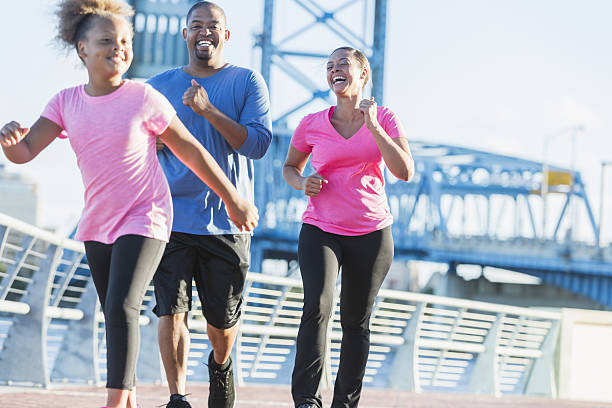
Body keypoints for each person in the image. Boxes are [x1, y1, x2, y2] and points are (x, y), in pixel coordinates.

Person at [0, 1, 258, 407]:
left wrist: (233, 199)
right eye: (106, 41)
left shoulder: (144, 97)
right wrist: (11, 142)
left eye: (125, 41)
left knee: (123, 304)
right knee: (114, 311)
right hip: (98, 224)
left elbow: (191, 152)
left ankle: (116, 400)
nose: (118, 48)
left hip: (148, 216)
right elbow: (27, 151)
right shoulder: (66, 102)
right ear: (82, 49)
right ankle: (131, 395)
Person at [146, 2, 272, 408]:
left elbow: (257, 145)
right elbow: (130, 141)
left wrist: (208, 111)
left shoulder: (247, 81)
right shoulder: (157, 86)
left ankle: (220, 365)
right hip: (171, 217)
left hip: (227, 222)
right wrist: (154, 141)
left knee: (221, 323)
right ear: (184, 34)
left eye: (213, 26)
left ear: (226, 35)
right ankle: (178, 396)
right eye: (196, 25)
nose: (204, 32)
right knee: (171, 309)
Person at [282, 46, 414, 408]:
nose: (335, 70)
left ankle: (345, 402)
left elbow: (404, 172)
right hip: (321, 229)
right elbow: (290, 167)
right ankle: (307, 399)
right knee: (317, 306)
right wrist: (301, 182)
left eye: (344, 64)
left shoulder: (385, 118)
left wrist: (373, 127)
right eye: (329, 66)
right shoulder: (311, 123)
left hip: (371, 233)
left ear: (363, 74)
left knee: (355, 321)